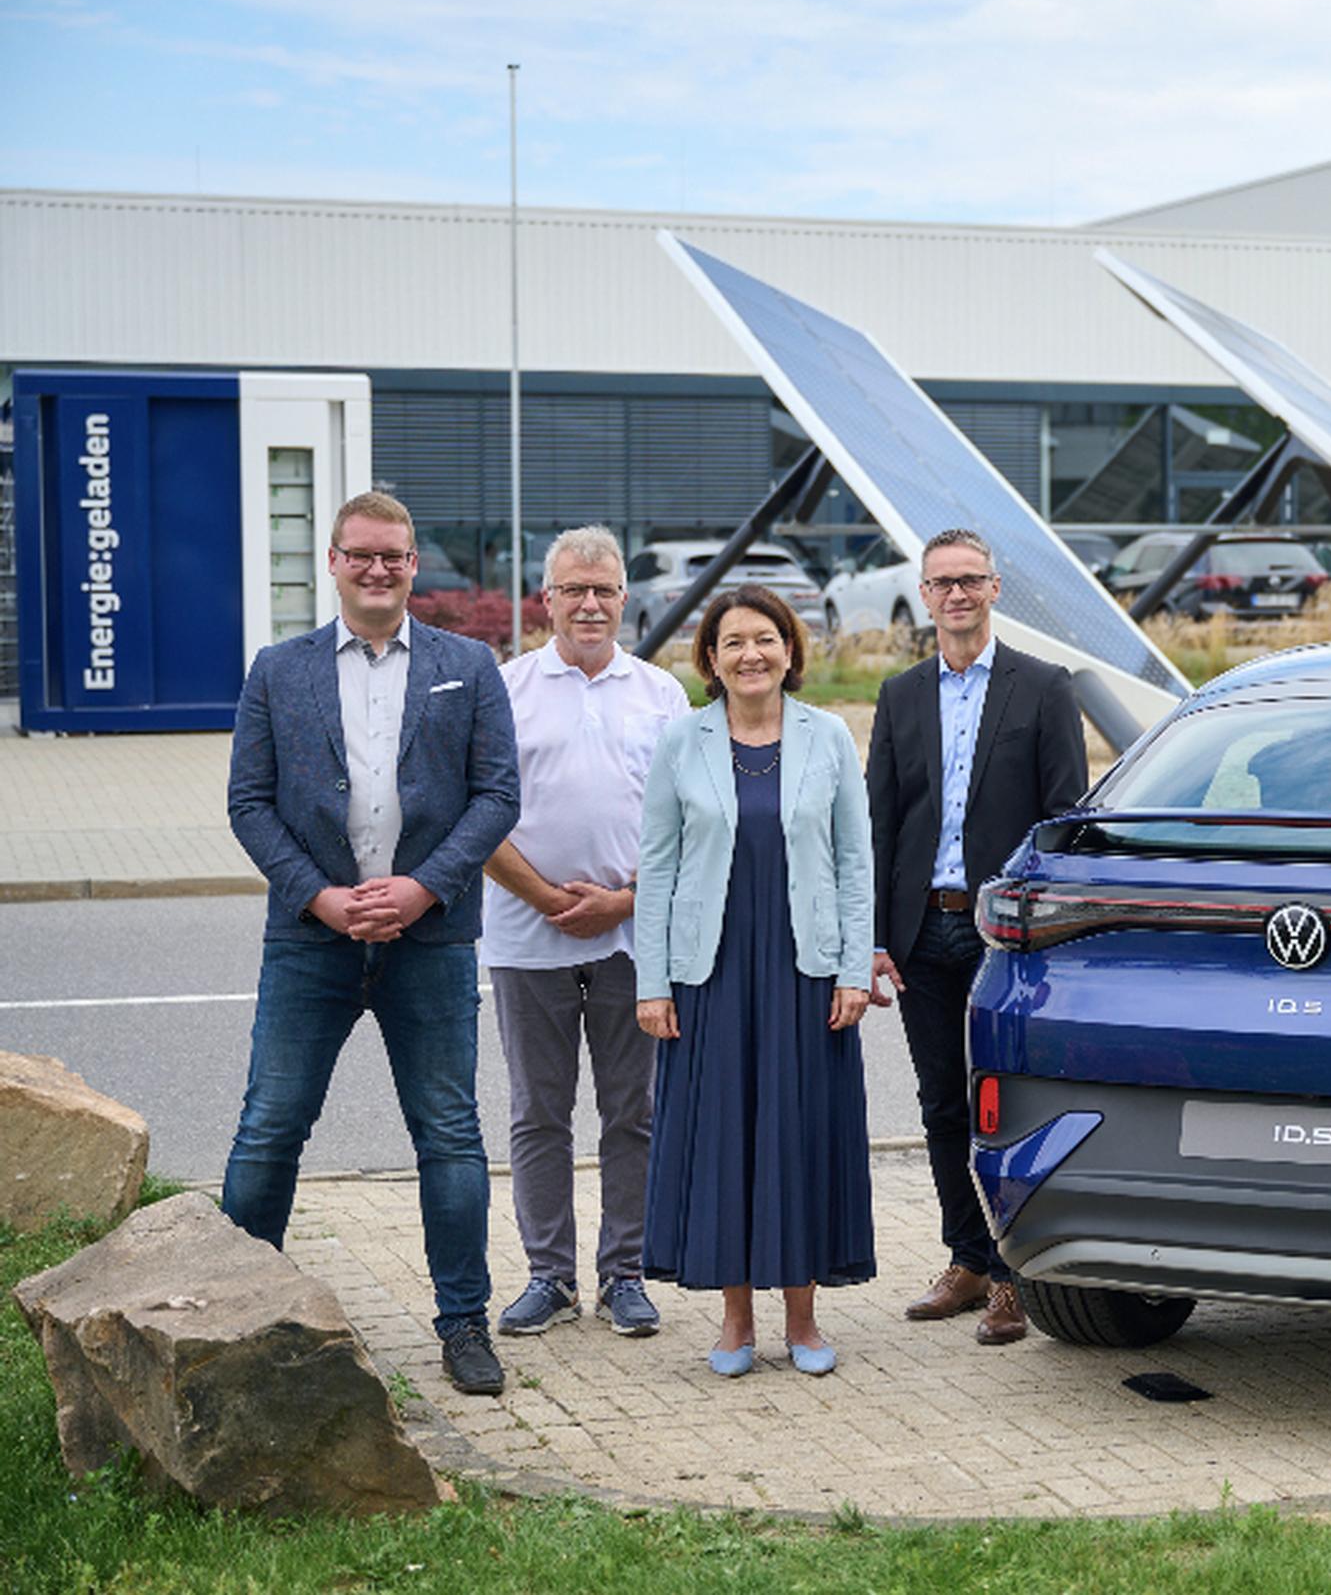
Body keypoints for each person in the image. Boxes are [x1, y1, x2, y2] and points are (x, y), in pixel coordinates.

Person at [223, 490, 521, 1396]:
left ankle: (463, 1324)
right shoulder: (279, 669)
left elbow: (498, 795)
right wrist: (317, 898)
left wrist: (426, 886)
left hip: (429, 939)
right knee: (270, 1131)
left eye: (394, 555)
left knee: (450, 1135)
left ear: (412, 564)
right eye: (362, 555)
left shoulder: (467, 666)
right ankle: (236, 1310)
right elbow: (248, 803)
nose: (379, 570)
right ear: (334, 561)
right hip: (310, 939)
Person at [633, 585, 875, 1377]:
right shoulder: (682, 742)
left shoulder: (830, 736)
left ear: (789, 649)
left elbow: (853, 865)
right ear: (710, 658)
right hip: (711, 973)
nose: (751, 654)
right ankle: (734, 1322)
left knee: (799, 1135)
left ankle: (802, 1324)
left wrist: (853, 970)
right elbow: (659, 868)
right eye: (733, 641)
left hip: (806, 972)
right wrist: (653, 982)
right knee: (725, 1139)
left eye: (765, 639)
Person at [868, 529, 1088, 1346]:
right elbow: (879, 824)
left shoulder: (1042, 689)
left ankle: (1013, 1276)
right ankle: (964, 1258)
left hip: (1005, 937)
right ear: (923, 596)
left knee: (1012, 1105)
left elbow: (1064, 821)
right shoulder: (899, 695)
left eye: (969, 580)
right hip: (923, 930)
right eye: (940, 583)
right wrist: (875, 936)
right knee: (938, 1105)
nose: (955, 595)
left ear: (994, 589)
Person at [481, 526, 691, 1342]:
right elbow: (478, 813)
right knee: (538, 1114)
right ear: (547, 599)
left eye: (604, 589)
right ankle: (549, 1277)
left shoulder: (661, 695)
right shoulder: (503, 689)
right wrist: (540, 895)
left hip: (630, 939)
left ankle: (626, 1274)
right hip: (525, 935)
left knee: (632, 1111)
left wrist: (624, 900)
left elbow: (686, 824)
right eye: (574, 589)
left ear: (625, 598)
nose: (590, 604)